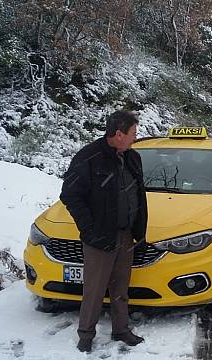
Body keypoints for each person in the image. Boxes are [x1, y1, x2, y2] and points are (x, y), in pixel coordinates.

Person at [60, 110, 148, 353]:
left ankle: (121, 329)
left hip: (125, 234)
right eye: (133, 133)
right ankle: (86, 334)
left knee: (121, 288)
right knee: (94, 289)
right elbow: (70, 195)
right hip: (99, 237)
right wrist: (90, 229)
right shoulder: (89, 157)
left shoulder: (132, 158)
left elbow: (138, 193)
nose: (135, 138)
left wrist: (138, 229)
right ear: (118, 134)